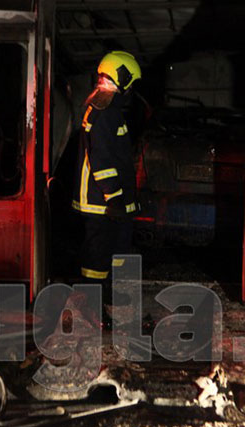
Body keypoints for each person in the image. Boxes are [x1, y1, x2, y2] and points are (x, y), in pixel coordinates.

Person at [72, 51, 141, 312]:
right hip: (102, 203)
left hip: (109, 200)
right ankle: (91, 303)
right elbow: (102, 160)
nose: (131, 90)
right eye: (130, 83)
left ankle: (108, 294)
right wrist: (113, 197)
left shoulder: (105, 109)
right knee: (98, 255)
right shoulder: (105, 113)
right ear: (121, 79)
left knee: (115, 249)